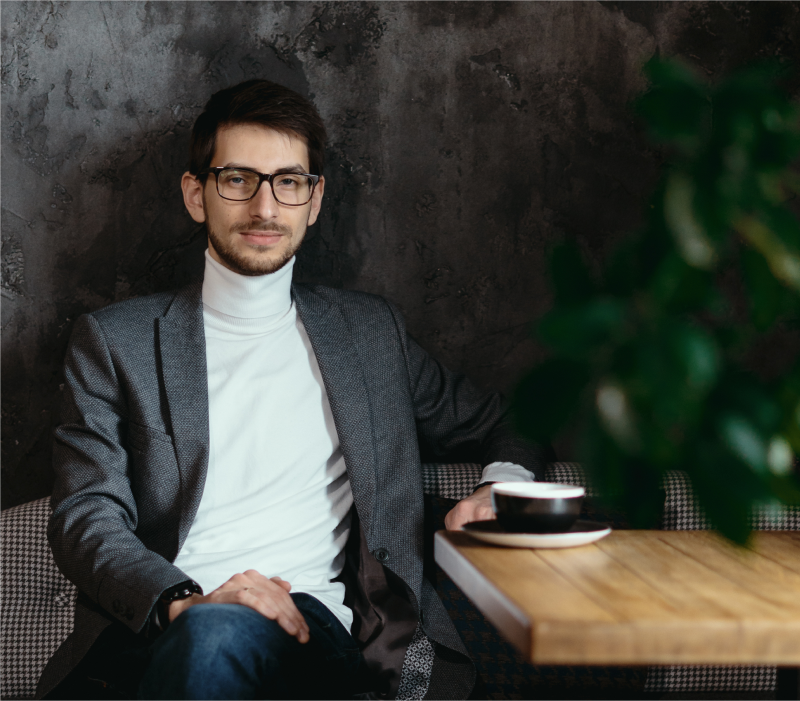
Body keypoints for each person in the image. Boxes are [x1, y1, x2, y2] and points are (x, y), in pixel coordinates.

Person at [37, 79, 547, 701]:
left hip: (316, 630)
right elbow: (86, 516)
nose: (265, 207)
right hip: (162, 625)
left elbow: (513, 419)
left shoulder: (369, 335)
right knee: (208, 636)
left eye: (289, 181)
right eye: (237, 179)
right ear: (196, 194)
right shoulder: (116, 342)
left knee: (219, 639)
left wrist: (502, 486)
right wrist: (184, 603)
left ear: (314, 199)